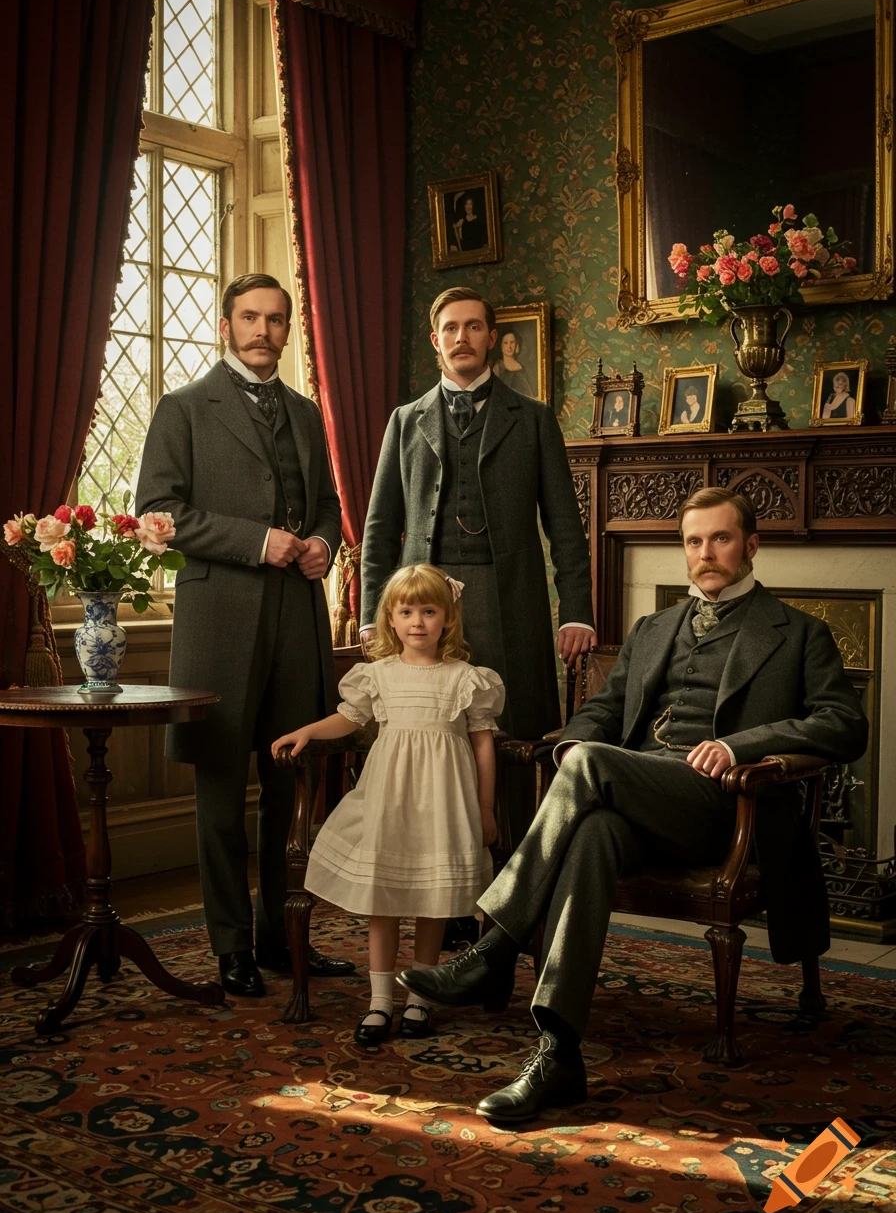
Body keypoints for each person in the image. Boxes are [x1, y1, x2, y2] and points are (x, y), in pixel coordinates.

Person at [399, 487, 868, 1123]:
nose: (706, 553)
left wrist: (737, 745)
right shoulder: (654, 628)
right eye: (694, 542)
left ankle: (496, 948)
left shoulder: (798, 632)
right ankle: (559, 1054)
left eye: (721, 539)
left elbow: (844, 723)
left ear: (752, 545)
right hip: (640, 797)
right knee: (590, 830)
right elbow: (603, 710)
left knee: (593, 769)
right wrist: (573, 744)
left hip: (725, 811)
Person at [136, 272, 354, 998]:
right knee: (222, 792)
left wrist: (323, 542)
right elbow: (158, 514)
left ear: (289, 331)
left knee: (292, 784)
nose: (265, 331)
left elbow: (324, 504)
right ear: (227, 324)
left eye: (277, 320)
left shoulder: (303, 409)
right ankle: (230, 946)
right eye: (251, 318)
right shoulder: (184, 408)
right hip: (218, 621)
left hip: (297, 617)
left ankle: (279, 939)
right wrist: (256, 541)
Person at [272, 564, 504, 1044]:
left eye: (428, 610)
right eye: (406, 611)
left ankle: (420, 996)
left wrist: (485, 809)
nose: (417, 621)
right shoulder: (377, 675)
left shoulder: (466, 678)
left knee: (432, 901)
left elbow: (483, 744)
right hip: (389, 800)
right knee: (385, 900)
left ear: (447, 618)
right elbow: (346, 718)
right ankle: (379, 1002)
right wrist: (307, 732)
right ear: (391, 621)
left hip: (444, 805)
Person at [361, 287, 595, 745]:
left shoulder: (533, 419)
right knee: (429, 734)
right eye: (451, 328)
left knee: (509, 730)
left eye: (472, 327)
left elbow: (566, 527)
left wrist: (577, 613)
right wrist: (372, 612)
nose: (461, 337)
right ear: (436, 340)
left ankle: (508, 820)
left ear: (491, 336)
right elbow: (380, 528)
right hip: (423, 600)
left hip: (508, 597)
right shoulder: (405, 421)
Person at [492, 329, 535, 398]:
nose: (509, 347)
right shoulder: (498, 368)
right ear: (501, 346)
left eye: (512, 342)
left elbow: (528, 394)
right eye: (506, 343)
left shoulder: (521, 367)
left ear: (516, 345)